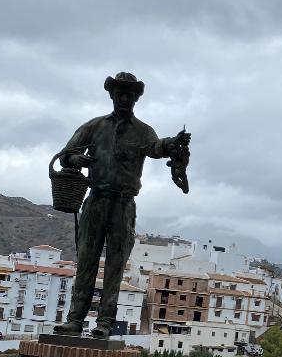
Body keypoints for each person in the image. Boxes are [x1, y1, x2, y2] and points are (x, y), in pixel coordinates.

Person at [53, 72, 190, 339]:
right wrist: (77, 160)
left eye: (130, 94)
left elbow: (158, 147)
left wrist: (174, 143)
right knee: (86, 261)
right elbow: (65, 156)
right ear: (112, 95)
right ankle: (74, 320)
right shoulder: (94, 126)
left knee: (116, 265)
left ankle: (104, 322)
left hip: (123, 204)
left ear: (136, 98)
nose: (125, 98)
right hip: (96, 201)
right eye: (120, 93)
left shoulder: (143, 131)